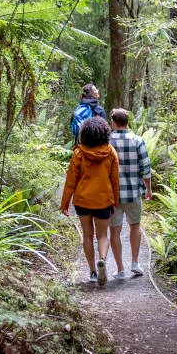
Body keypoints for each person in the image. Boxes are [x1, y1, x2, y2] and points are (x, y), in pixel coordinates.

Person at [60, 116, 120, 286]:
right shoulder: (111, 152)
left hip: (83, 201)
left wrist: (65, 203)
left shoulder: (79, 152)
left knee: (87, 235)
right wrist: (114, 202)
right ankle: (102, 259)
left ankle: (93, 271)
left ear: (84, 133)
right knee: (102, 235)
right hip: (103, 201)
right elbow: (115, 180)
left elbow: (71, 180)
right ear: (104, 133)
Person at [108, 108, 153, 278]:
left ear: (113, 122)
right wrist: (148, 189)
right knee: (135, 226)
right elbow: (146, 168)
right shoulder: (138, 140)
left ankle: (120, 269)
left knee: (114, 231)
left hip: (113, 195)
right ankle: (135, 262)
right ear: (127, 122)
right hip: (134, 193)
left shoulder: (107, 141)